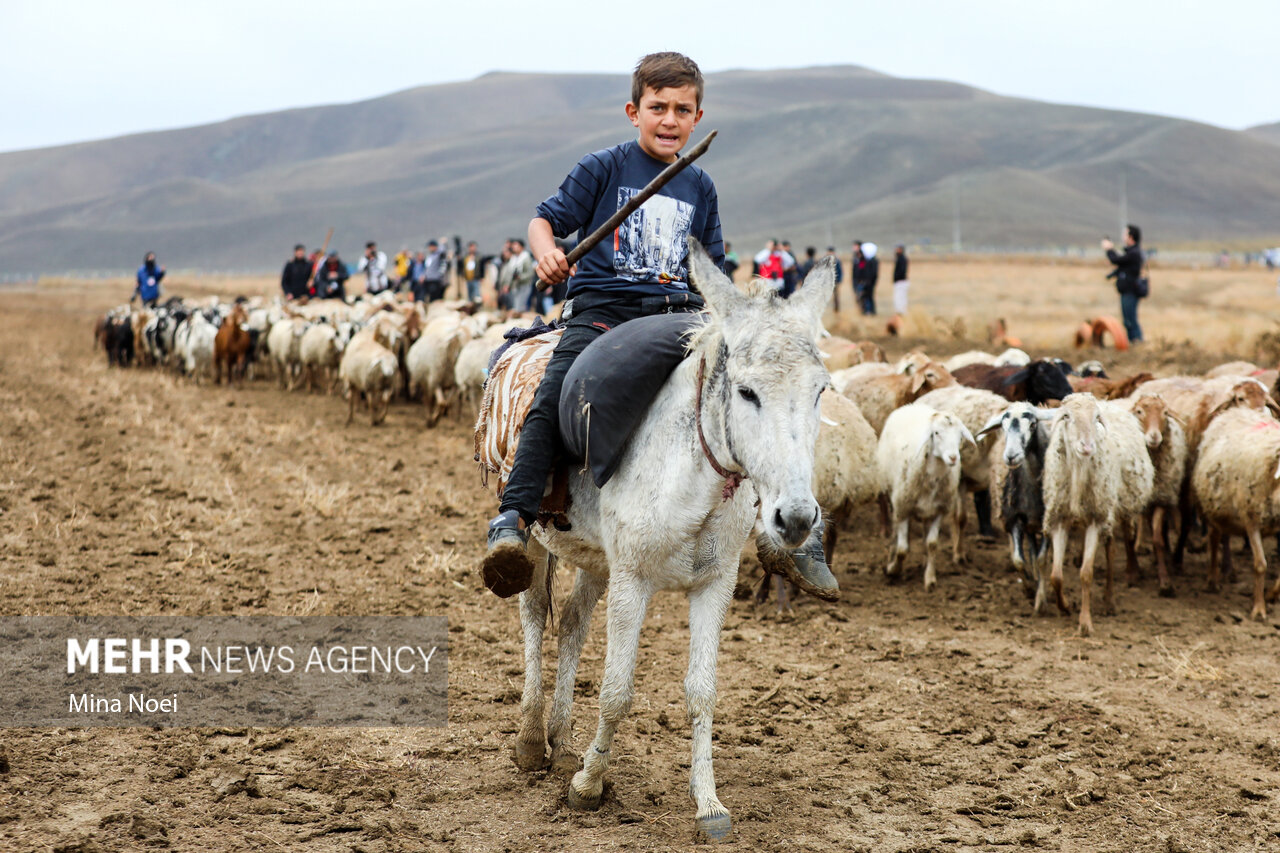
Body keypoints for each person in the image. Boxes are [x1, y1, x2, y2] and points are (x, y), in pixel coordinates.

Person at [481, 51, 729, 598]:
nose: (669, 120)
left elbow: (711, 267)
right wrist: (547, 253)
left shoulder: (700, 186)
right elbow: (544, 220)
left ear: (696, 116)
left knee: (747, 392)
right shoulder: (604, 168)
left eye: (682, 110)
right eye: (657, 107)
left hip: (679, 318)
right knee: (554, 393)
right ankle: (514, 519)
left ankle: (777, 527)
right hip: (602, 314)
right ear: (632, 111)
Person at [1104, 224, 1145, 344]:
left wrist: (1109, 249)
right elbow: (1122, 266)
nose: (1123, 236)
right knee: (1128, 320)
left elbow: (1116, 260)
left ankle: (1137, 342)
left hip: (1130, 291)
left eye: (1125, 234)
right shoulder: (1132, 252)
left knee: (1130, 320)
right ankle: (1133, 341)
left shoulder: (1134, 253)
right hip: (1127, 291)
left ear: (1131, 237)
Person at [501, 238, 536, 313]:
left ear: (521, 247)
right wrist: (507, 285)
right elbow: (510, 274)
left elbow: (530, 273)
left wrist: (520, 277)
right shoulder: (513, 259)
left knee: (521, 306)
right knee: (515, 305)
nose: (514, 247)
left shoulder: (526, 257)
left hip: (524, 285)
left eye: (516, 245)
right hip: (515, 286)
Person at [825, 246, 844, 311]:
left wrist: (839, 280)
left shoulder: (837, 261)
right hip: (827, 281)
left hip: (835, 281)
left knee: (836, 295)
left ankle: (836, 308)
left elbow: (840, 271)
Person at [892, 244, 909, 314]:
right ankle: (899, 311)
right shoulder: (899, 258)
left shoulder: (902, 259)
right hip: (899, 281)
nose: (896, 250)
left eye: (898, 249)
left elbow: (902, 270)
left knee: (900, 297)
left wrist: (898, 278)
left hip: (901, 281)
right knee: (898, 297)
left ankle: (901, 311)